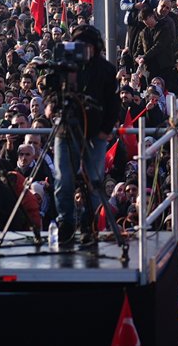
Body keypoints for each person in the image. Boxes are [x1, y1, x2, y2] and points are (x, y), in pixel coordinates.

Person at [52, 25, 120, 245]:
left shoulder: (106, 70)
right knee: (64, 179)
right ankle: (66, 223)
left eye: (88, 45)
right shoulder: (65, 65)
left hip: (95, 134)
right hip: (66, 130)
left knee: (94, 182)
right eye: (80, 45)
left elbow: (113, 103)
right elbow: (52, 90)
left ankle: (89, 223)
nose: (85, 49)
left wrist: (105, 130)